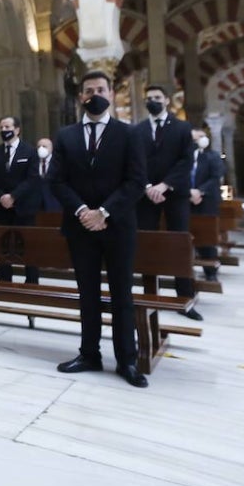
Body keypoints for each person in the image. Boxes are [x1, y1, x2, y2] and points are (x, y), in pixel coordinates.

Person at [49, 70, 149, 388]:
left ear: (111, 93)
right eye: (89, 90)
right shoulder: (65, 136)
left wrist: (104, 212)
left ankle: (127, 360)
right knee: (87, 293)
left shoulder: (129, 134)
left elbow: (135, 181)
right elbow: (56, 180)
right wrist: (82, 211)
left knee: (122, 294)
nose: (95, 94)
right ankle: (89, 353)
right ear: (81, 97)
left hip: (117, 225)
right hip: (80, 227)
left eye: (101, 89)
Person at [134, 85, 199, 320]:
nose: (153, 101)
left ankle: (185, 298)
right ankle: (150, 294)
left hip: (175, 193)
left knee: (179, 242)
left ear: (167, 100)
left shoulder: (182, 127)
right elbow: (134, 162)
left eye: (157, 98)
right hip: (146, 194)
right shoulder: (138, 130)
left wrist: (164, 185)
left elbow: (186, 161)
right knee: (148, 242)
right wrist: (148, 186)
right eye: (149, 98)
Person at [0, 116, 40, 283]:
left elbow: (32, 179)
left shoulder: (29, 152)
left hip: (23, 207)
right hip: (1, 208)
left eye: (7, 127)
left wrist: (13, 196)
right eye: (1, 127)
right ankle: (4, 279)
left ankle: (31, 280)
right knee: (3, 244)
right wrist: (2, 196)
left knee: (27, 244)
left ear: (17, 129)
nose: (3, 130)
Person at [189, 128, 226, 281]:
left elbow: (215, 177)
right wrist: (189, 192)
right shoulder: (186, 157)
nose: (200, 140)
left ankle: (210, 272)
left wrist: (200, 191)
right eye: (196, 138)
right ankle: (187, 270)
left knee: (207, 238)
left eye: (202, 137)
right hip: (189, 201)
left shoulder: (213, 156)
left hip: (207, 202)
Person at [36, 137, 61, 213]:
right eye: (39, 147)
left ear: (51, 148)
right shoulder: (33, 162)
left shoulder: (58, 163)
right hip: (37, 204)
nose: (41, 149)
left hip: (54, 203)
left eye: (44, 146)